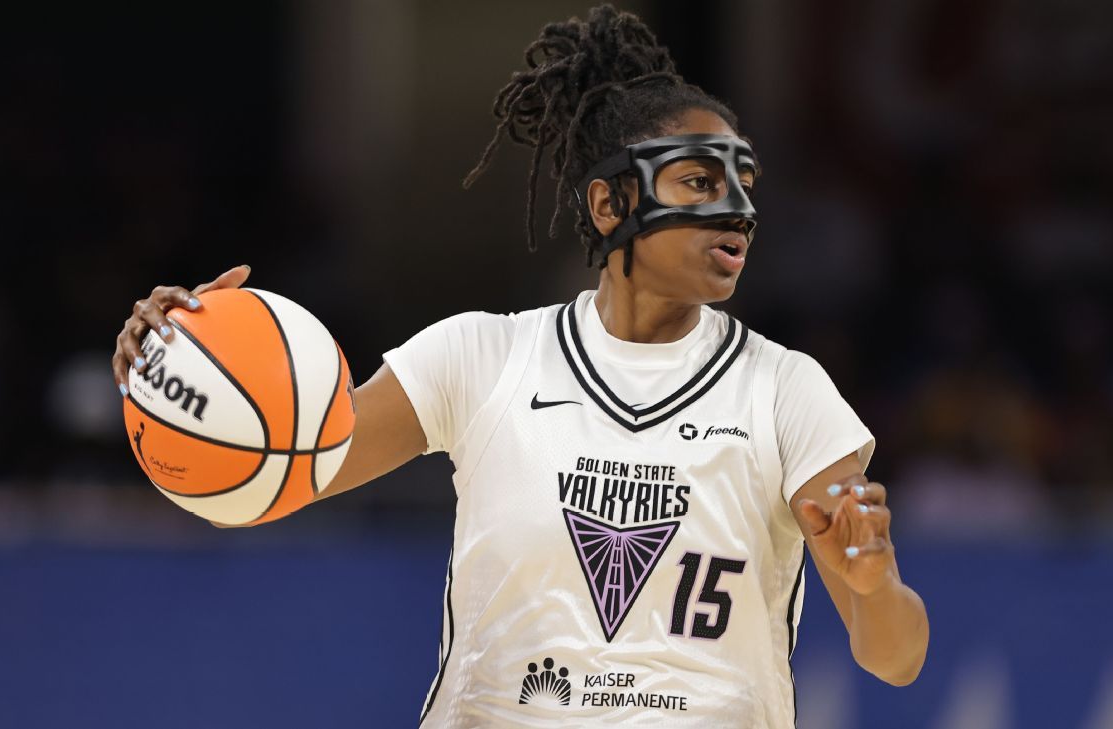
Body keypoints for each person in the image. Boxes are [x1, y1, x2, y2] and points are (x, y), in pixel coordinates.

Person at [111, 6, 928, 727]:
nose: (737, 209)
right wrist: (177, 384)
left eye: (744, 183)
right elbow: (277, 479)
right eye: (698, 180)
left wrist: (875, 584)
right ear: (610, 204)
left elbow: (895, 657)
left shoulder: (785, 388)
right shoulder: (479, 356)